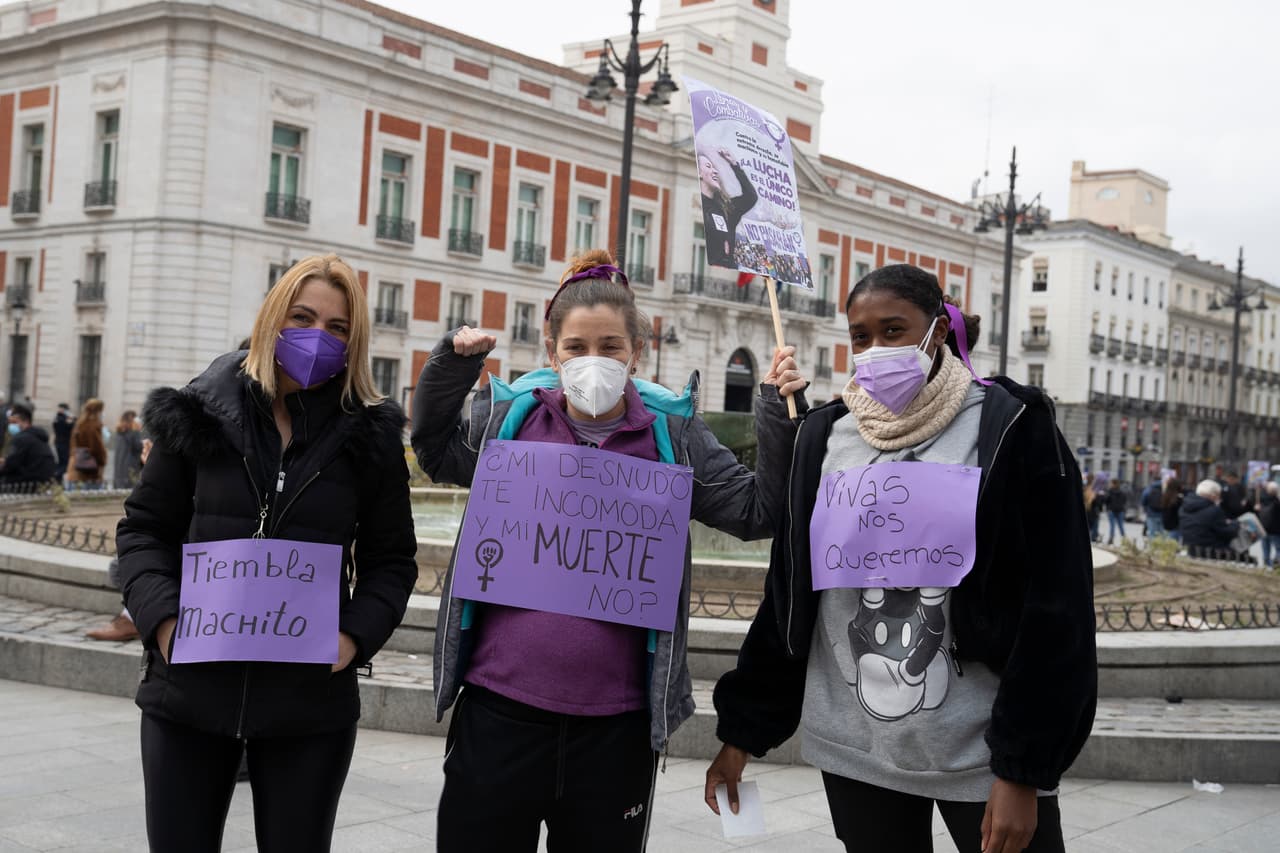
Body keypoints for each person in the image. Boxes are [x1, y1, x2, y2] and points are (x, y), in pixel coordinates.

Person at [412, 249, 806, 852]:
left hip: (615, 732)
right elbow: (436, 453)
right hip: (498, 713)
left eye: (610, 346)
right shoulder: (510, 422)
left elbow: (758, 512)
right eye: (576, 347)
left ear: (637, 352)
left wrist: (777, 412)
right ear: (552, 352)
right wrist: (451, 366)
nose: (592, 360)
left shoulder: (673, 436)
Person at [706, 264, 1096, 853]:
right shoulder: (824, 435)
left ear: (936, 331)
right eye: (860, 336)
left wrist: (1023, 766)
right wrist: (742, 731)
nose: (875, 349)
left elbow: (1056, 607)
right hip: (857, 750)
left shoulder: (1012, 427)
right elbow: (790, 593)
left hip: (981, 754)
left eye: (893, 330)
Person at [116, 253, 418, 852]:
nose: (317, 336)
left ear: (354, 341)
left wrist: (352, 639)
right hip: (188, 693)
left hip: (309, 706)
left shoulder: (370, 437)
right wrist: (165, 623)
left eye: (337, 327)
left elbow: (392, 560)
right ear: (272, 318)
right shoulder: (197, 411)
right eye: (302, 317)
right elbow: (144, 530)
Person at [697, 146, 758, 268]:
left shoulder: (726, 209)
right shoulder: (698, 203)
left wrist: (734, 164)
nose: (715, 171)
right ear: (699, 173)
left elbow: (751, 196)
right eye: (708, 166)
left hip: (726, 268)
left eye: (714, 167)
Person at [0, 403, 58, 490]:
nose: (10, 425)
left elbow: (11, 465)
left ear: (26, 421)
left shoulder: (21, 438)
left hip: (25, 483)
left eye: (14, 422)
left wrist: (4, 465)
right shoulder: (38, 437)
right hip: (42, 482)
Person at [1178, 480, 1239, 559]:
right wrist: (1235, 524)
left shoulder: (1183, 508)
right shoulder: (1214, 510)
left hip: (1190, 549)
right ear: (1213, 496)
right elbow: (1227, 533)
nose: (1220, 499)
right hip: (1212, 552)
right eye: (1219, 496)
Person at [65, 399, 107, 490]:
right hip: (90, 470)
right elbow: (97, 449)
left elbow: (73, 445)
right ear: (98, 411)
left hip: (75, 466)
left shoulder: (79, 424)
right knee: (91, 496)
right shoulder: (93, 426)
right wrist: (102, 461)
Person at [111, 409, 145, 489]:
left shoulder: (120, 433)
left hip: (119, 473)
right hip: (130, 471)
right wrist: (137, 431)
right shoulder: (133, 433)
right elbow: (139, 447)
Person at [1256, 482, 1280, 567]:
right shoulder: (1277, 502)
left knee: (1265, 549)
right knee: (1278, 549)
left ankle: (1267, 566)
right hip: (1275, 530)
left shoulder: (1262, 501)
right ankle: (1277, 566)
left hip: (1263, 528)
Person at [1161, 478, 1185, 543]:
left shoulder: (1165, 496)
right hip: (1175, 525)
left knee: (1166, 543)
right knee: (1173, 543)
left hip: (1165, 524)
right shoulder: (1178, 499)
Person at [52, 402, 73, 473]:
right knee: (64, 462)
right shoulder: (63, 419)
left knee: (61, 461)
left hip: (60, 442)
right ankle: (57, 474)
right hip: (64, 442)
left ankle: (58, 475)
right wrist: (71, 421)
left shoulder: (57, 418)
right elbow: (69, 427)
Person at [1105, 479, 1128, 545]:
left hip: (1111, 510)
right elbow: (1124, 500)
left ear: (1113, 484)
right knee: (1121, 526)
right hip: (1120, 510)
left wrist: (1108, 508)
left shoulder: (1110, 491)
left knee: (1112, 526)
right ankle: (1124, 540)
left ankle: (1111, 539)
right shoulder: (1122, 492)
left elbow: (1106, 500)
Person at [1083, 475, 1103, 543]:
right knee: (1093, 525)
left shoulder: (1084, 488)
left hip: (1087, 509)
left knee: (1088, 525)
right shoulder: (1094, 489)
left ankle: (1091, 537)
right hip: (1093, 510)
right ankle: (1093, 537)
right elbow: (1097, 502)